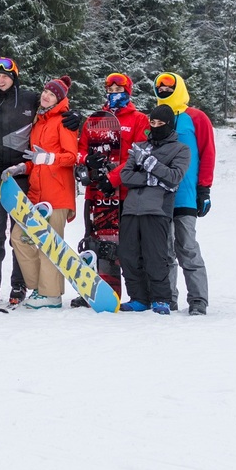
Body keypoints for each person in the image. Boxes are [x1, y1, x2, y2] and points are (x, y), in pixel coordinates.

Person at [70, 72, 150, 307]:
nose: (114, 94)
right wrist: (88, 160)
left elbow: (138, 155)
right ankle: (97, 289)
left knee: (123, 246)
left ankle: (137, 294)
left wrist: (114, 178)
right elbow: (80, 150)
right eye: (110, 90)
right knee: (94, 242)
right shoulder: (95, 119)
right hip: (96, 193)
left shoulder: (138, 120)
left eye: (119, 90)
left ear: (128, 92)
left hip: (123, 194)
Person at [5, 75, 77, 309]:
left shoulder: (63, 121)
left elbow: (71, 156)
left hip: (57, 193)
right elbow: (36, 160)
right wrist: (21, 167)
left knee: (50, 245)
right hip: (36, 194)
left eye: (52, 94)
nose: (46, 96)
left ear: (60, 99)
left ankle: (51, 294)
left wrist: (49, 158)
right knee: (19, 237)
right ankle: (39, 287)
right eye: (45, 91)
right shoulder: (39, 121)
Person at [117, 105, 191, 314]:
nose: (156, 127)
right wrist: (154, 178)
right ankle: (138, 297)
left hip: (157, 209)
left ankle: (161, 298)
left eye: (160, 123)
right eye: (153, 123)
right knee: (128, 255)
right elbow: (126, 176)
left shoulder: (181, 149)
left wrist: (148, 163)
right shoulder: (140, 147)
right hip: (131, 208)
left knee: (155, 256)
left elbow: (174, 177)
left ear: (169, 125)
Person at [0, 57, 40, 307]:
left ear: (14, 78)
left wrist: (72, 114)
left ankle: (19, 283)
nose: (1, 79)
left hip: (20, 177)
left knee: (20, 234)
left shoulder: (30, 99)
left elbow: (55, 105)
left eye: (6, 76)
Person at [154, 72, 216, 315]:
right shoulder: (155, 118)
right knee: (164, 250)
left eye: (169, 84)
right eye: (159, 85)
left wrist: (204, 188)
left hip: (186, 194)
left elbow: (207, 152)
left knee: (187, 247)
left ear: (178, 87)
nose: (164, 89)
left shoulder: (196, 117)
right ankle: (168, 297)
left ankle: (198, 299)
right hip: (160, 196)